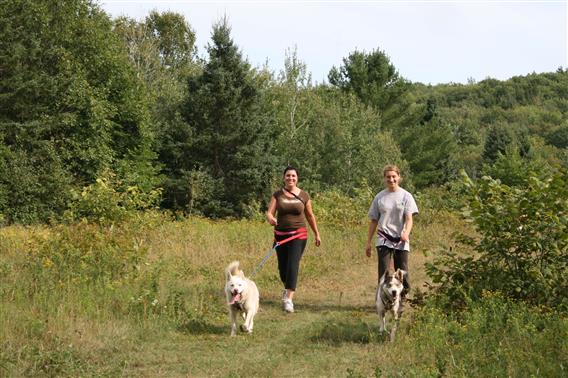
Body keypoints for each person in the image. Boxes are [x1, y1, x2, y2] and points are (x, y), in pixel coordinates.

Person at [266, 166, 321, 313]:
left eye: (293, 176)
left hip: (299, 235)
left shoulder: (304, 195)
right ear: (284, 178)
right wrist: (271, 219)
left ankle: (288, 299)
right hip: (280, 236)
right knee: (283, 269)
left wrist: (316, 233)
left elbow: (310, 215)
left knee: (293, 264)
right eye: (288, 176)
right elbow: (270, 213)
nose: (291, 178)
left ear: (297, 178)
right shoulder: (277, 195)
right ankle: (287, 288)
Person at [365, 165, 418, 299]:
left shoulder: (406, 196)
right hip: (384, 238)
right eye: (388, 177)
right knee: (384, 271)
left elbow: (409, 219)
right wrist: (368, 242)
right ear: (384, 178)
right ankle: (383, 299)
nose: (391, 179)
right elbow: (373, 221)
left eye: (394, 176)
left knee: (402, 270)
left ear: (399, 177)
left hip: (401, 239)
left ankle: (402, 297)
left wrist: (406, 232)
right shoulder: (379, 197)